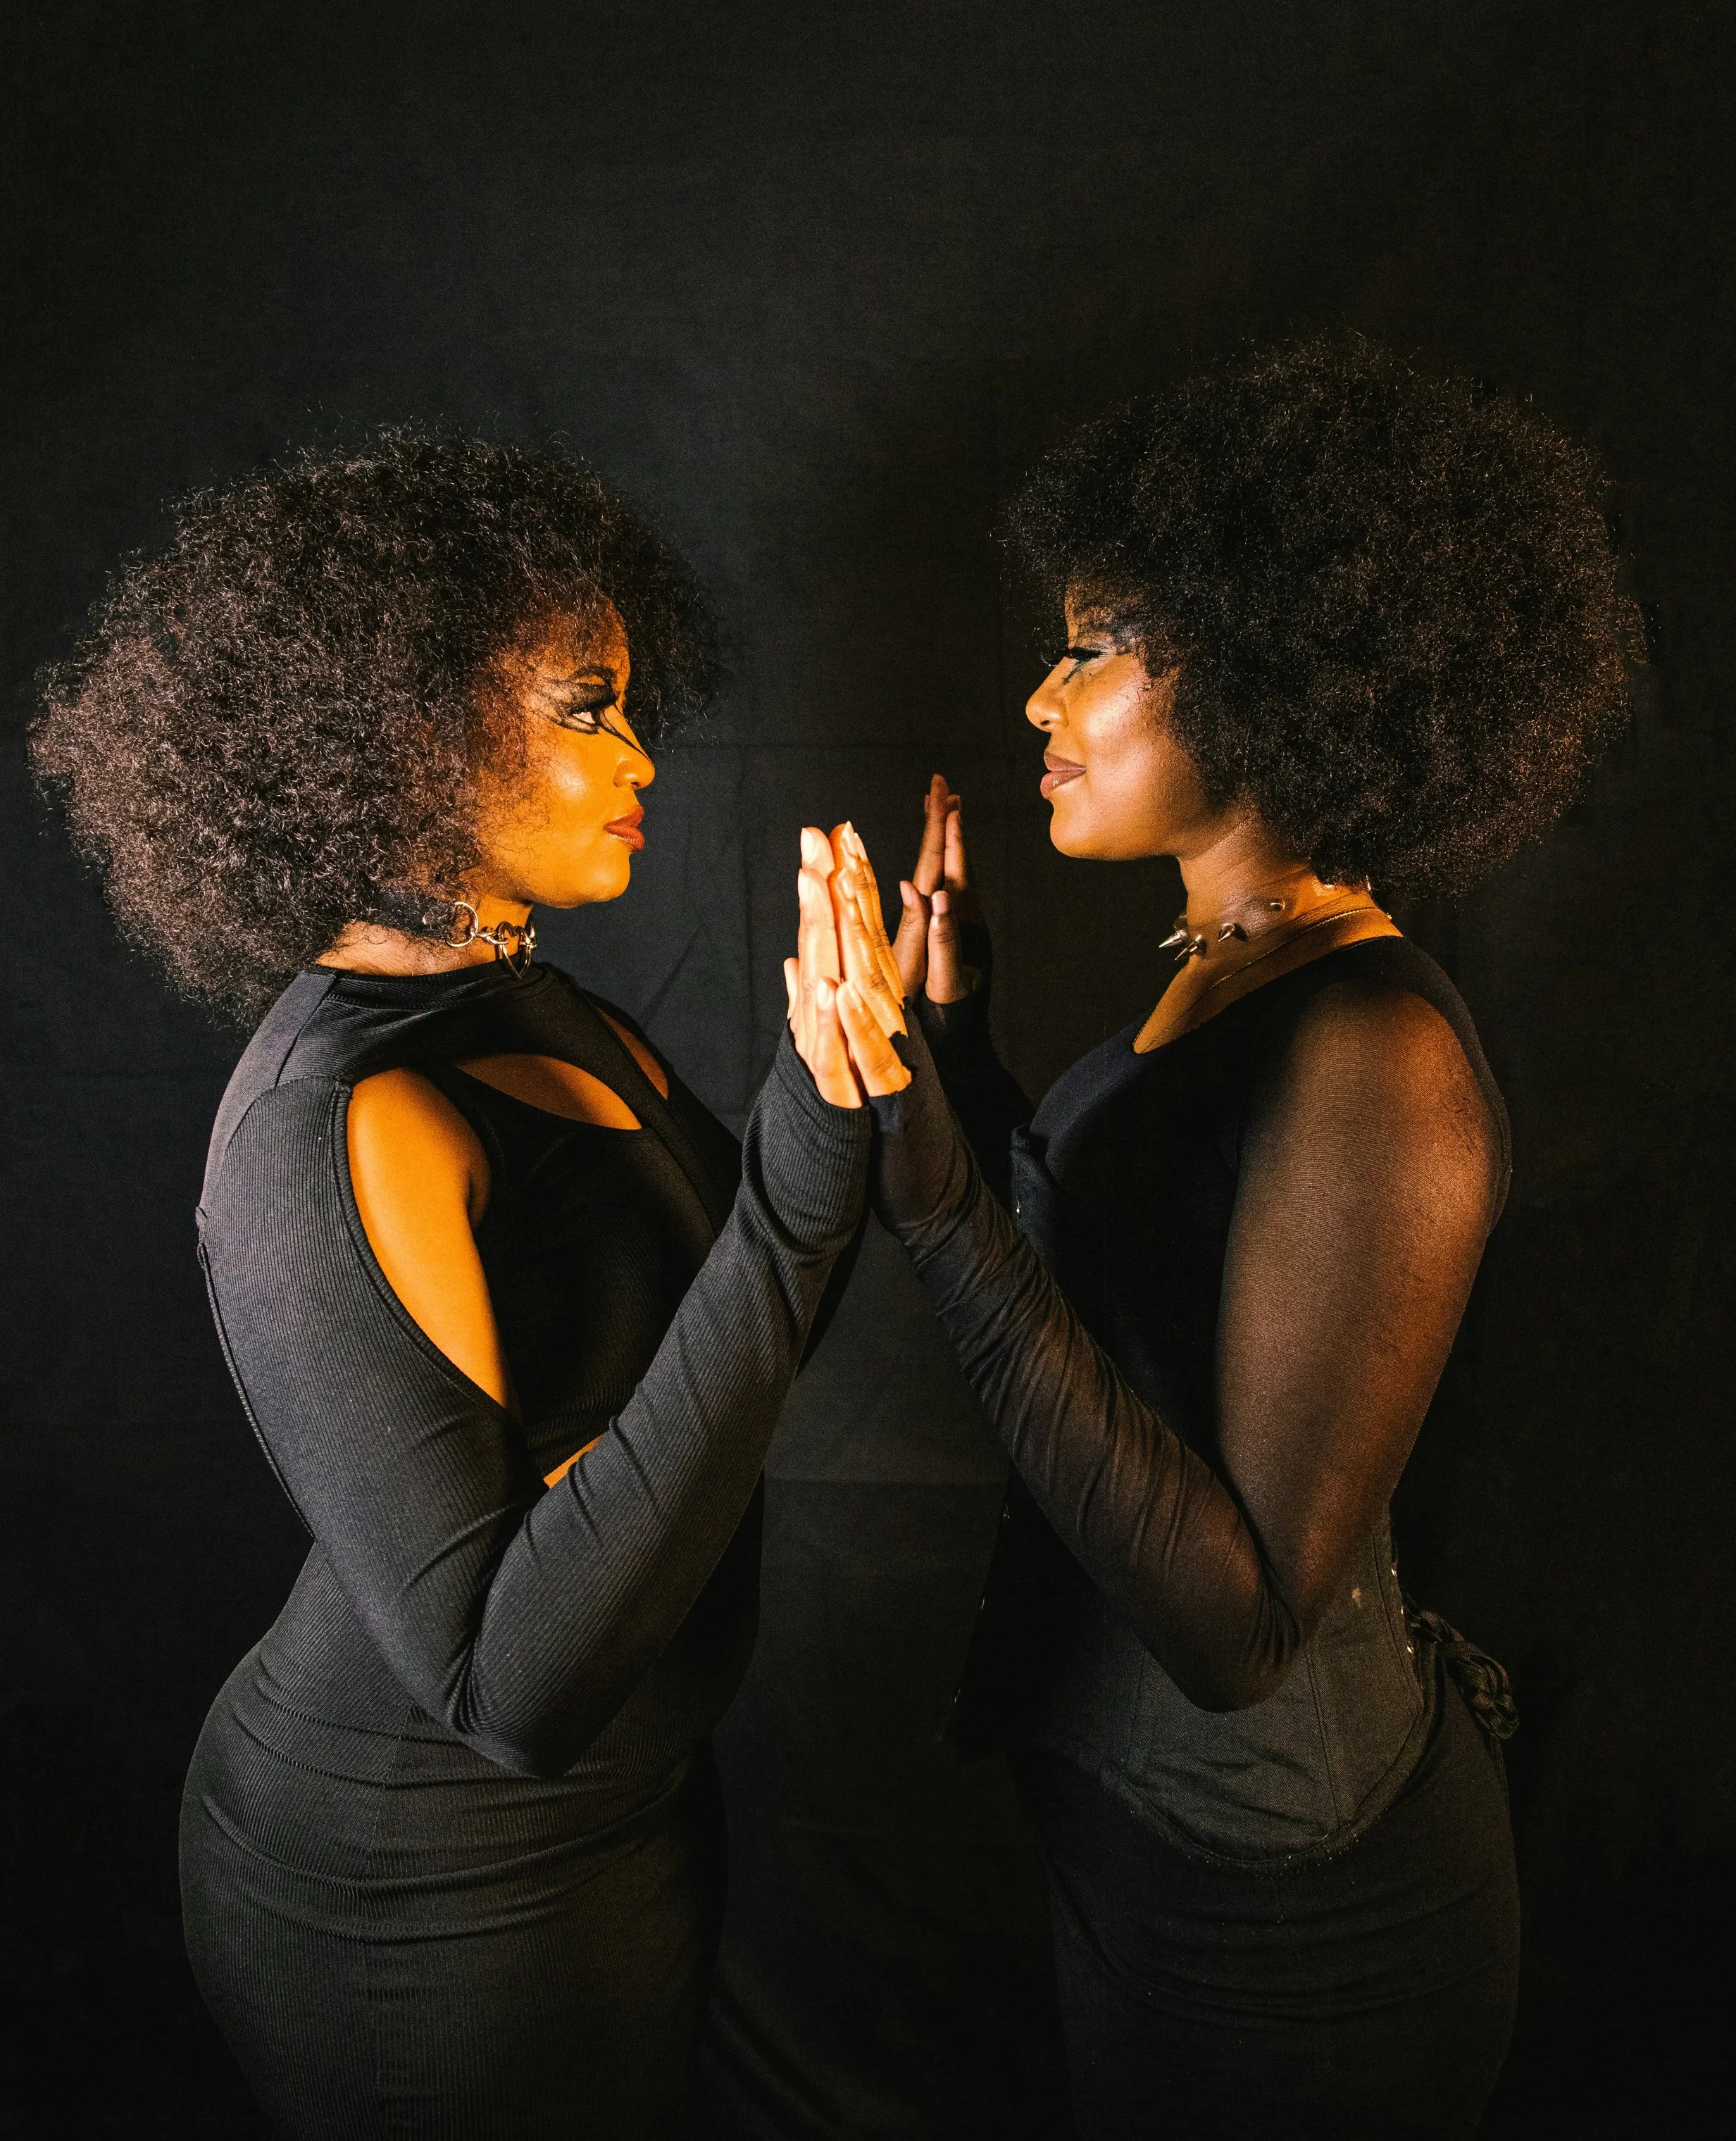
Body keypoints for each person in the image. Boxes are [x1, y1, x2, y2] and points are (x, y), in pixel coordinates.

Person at [804, 339, 1640, 2139]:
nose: (1037, 694)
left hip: (1293, 1930)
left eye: (1092, 645)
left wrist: (939, 1190)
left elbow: (1236, 1621)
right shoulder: (1228, 972)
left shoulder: (1376, 1050)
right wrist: (955, 1054)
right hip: (1140, 1854)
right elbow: (1136, 1307)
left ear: (1277, 677)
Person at [29, 432, 902, 2140]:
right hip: (425, 1896)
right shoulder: (338, 1124)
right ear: (399, 729)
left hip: (629, 1821)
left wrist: (877, 1066)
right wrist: (802, 1190)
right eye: (586, 706)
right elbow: (509, 1681)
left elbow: (736, 1309)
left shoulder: (530, 991)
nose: (642, 750)